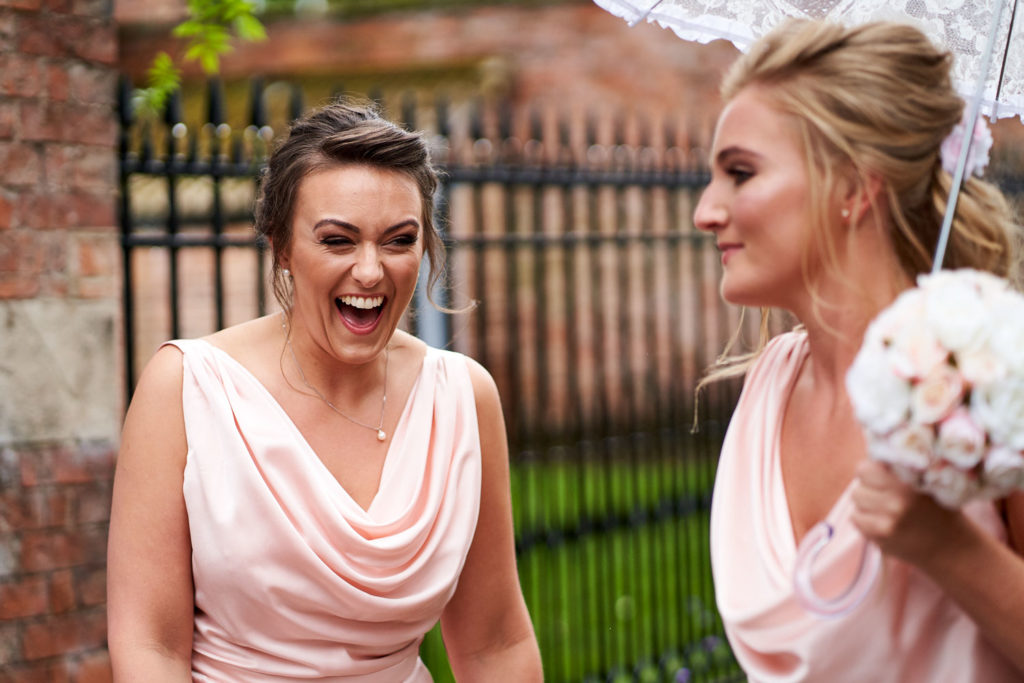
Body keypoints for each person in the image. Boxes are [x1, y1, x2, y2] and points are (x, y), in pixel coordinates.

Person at [107, 101, 543, 681]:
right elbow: (149, 646)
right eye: (338, 240)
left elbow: (495, 644)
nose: (370, 271)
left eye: (399, 240)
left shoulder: (463, 396)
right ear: (281, 247)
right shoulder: (185, 388)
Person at [693, 19, 1024, 682]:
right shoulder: (769, 383)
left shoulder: (985, 374)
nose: (705, 211)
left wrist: (949, 547)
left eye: (740, 173)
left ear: (853, 187)